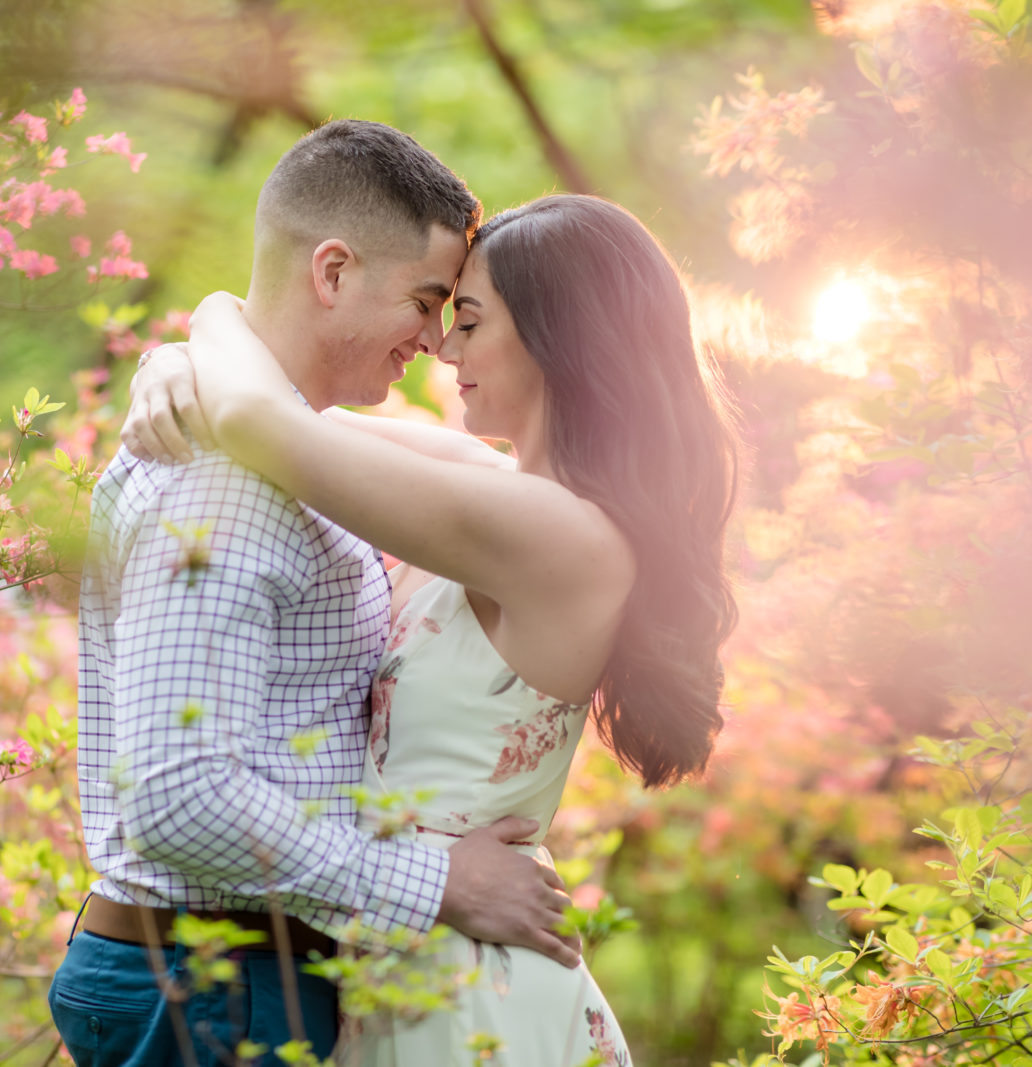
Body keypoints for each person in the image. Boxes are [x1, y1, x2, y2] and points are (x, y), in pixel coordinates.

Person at [123, 193, 739, 1063]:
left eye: (472, 322)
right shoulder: (487, 482)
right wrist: (176, 356)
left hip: (467, 993)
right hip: (409, 958)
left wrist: (211, 319)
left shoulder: (565, 538)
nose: (443, 349)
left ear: (561, 341)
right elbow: (273, 403)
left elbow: (258, 419)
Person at [50, 121, 586, 1067]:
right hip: (208, 988)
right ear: (332, 273)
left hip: (250, 978)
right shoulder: (228, 481)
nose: (432, 341)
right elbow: (176, 795)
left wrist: (199, 337)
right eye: (428, 303)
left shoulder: (297, 457)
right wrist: (433, 881)